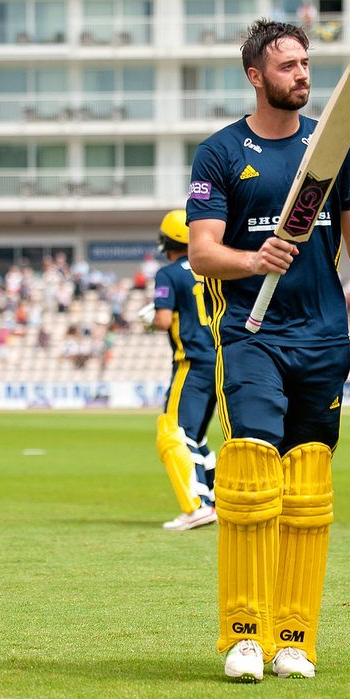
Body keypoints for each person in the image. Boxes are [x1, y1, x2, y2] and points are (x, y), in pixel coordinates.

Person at [185, 19, 350, 682]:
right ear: (256, 76)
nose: (301, 75)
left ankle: (293, 637)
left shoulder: (332, 150)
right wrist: (252, 256)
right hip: (252, 336)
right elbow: (202, 252)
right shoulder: (218, 153)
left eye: (305, 64)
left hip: (324, 339)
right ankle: (244, 633)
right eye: (288, 66)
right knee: (249, 470)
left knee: (307, 486)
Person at [138, 209, 218, 532]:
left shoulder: (169, 273)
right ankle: (214, 501)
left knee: (172, 432)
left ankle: (195, 506)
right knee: (196, 437)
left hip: (192, 363)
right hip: (221, 360)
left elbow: (161, 319)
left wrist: (149, 319)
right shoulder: (213, 266)